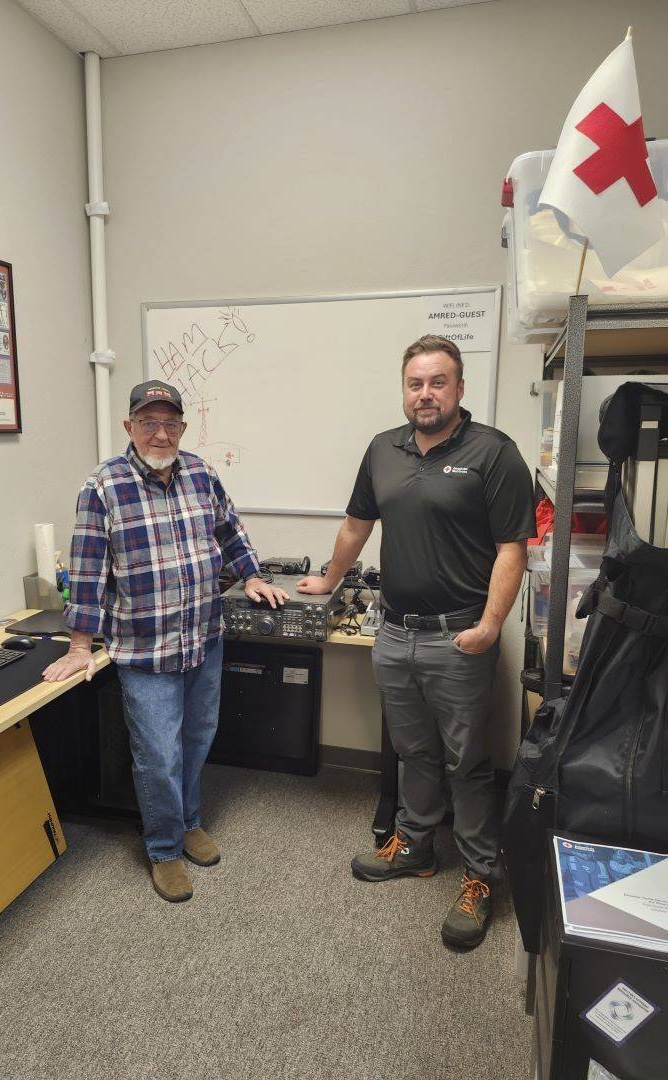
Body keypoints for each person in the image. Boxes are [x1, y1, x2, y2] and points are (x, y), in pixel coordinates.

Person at [297, 335, 534, 949]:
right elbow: (356, 525)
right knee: (412, 752)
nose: (424, 393)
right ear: (404, 389)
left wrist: (488, 625)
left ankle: (481, 875)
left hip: (459, 639)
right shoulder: (383, 450)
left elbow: (514, 548)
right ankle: (416, 846)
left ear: (459, 389)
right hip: (393, 631)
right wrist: (328, 578)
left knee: (468, 763)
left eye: (437, 382)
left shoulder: (494, 453)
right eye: (414, 383)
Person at [43, 379, 287, 902]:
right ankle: (163, 848)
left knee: (197, 738)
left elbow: (230, 530)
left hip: (203, 637)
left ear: (182, 426)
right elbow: (87, 571)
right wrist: (80, 645)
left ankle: (189, 821)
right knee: (157, 754)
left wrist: (252, 575)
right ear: (129, 427)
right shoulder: (103, 486)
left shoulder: (201, 473)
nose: (160, 433)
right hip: (145, 649)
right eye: (148, 422)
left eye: (170, 423)